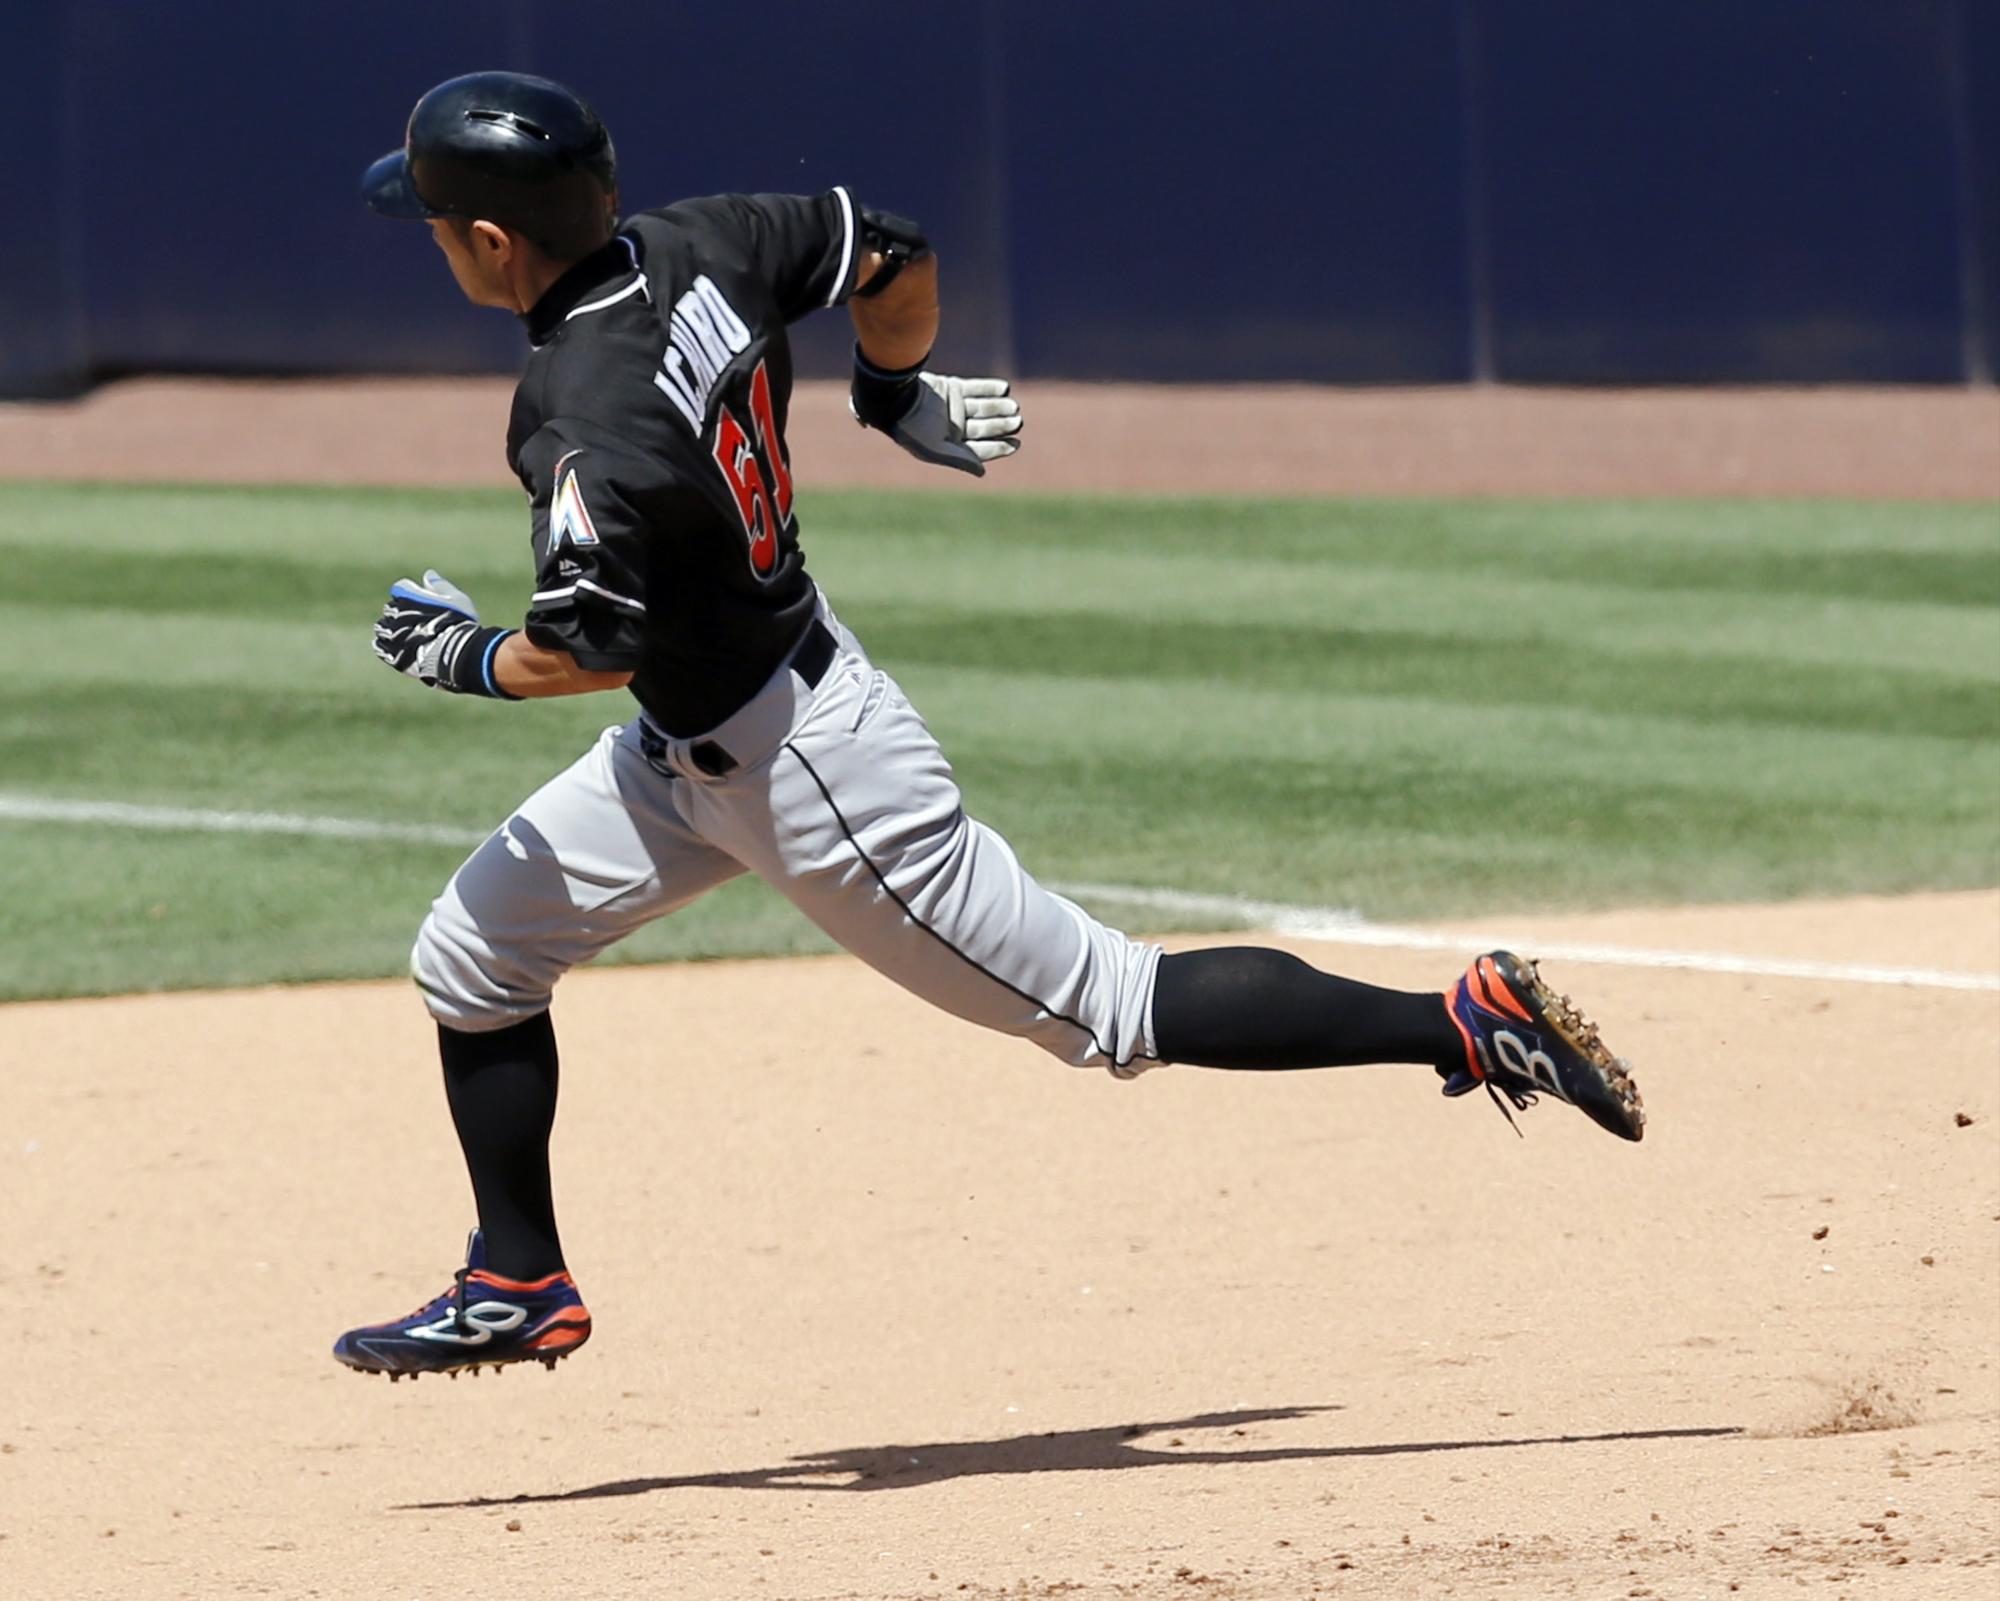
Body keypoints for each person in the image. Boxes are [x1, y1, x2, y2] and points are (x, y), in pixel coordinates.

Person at [335, 72, 1643, 1382]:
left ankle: (1463, 1019)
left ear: (494, 244)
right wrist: (892, 390)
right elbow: (889, 247)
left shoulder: (578, 407)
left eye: (439, 225)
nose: (437, 242)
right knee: (476, 956)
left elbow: (586, 647)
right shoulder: (705, 237)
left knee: (1110, 1005)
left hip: (810, 773)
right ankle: (518, 1279)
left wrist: (459, 655)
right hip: (702, 739)